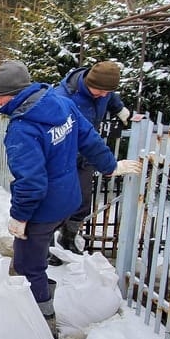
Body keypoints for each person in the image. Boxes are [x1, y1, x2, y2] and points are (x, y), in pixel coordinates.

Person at [0, 60, 140, 339]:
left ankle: (44, 327)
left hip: (43, 210)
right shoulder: (61, 104)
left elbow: (31, 182)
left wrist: (20, 217)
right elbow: (89, 139)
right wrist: (109, 166)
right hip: (69, 198)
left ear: (15, 93)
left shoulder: (22, 129)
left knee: (26, 266)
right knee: (38, 256)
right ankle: (44, 293)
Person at [53, 61, 131, 254]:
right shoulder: (63, 97)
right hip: (65, 157)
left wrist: (120, 109)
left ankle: (67, 238)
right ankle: (46, 246)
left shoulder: (104, 91)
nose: (104, 95)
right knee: (58, 202)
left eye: (107, 92)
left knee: (82, 201)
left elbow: (110, 96)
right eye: (100, 91)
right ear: (88, 82)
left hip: (86, 156)